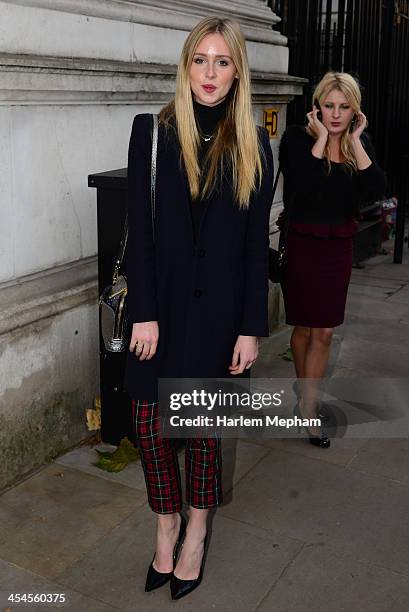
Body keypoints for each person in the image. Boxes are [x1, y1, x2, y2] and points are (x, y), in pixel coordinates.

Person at [124, 16, 274, 600]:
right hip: (158, 314)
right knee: (150, 426)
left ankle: (197, 529)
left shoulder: (255, 144)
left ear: (238, 72)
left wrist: (250, 328)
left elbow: (254, 245)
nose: (209, 73)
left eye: (223, 61)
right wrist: (143, 310)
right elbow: (139, 230)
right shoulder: (152, 133)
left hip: (219, 318)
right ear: (185, 65)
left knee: (204, 432)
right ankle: (166, 523)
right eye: (200, 59)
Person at [279, 71, 386, 448]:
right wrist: (322, 139)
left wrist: (355, 143)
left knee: (324, 330)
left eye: (344, 107)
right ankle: (304, 392)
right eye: (329, 106)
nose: (336, 115)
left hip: (337, 247)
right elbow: (302, 187)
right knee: (304, 329)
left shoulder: (362, 143)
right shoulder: (296, 139)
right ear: (317, 106)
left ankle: (309, 409)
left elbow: (376, 191)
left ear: (355, 111)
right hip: (304, 244)